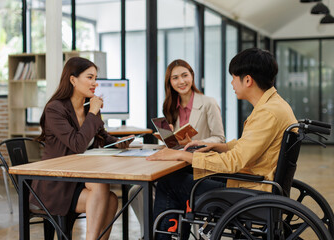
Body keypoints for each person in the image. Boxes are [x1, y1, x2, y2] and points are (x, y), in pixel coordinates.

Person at [147, 48, 298, 240]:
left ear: (248, 80)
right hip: (256, 180)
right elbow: (250, 146)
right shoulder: (275, 105)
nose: (232, 83)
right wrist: (220, 146)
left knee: (169, 183)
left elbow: (235, 161)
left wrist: (182, 154)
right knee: (182, 173)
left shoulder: (267, 113)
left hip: (252, 189)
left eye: (234, 78)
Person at [30, 57, 134, 239]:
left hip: (78, 179)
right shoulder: (55, 109)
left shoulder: (88, 107)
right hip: (56, 184)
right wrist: (93, 112)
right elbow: (77, 144)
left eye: (95, 78)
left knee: (110, 200)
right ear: (72, 80)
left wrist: (119, 142)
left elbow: (102, 136)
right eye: (90, 77)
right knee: (102, 189)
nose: (95, 83)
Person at [129, 59, 225, 239]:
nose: (181, 81)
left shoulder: (208, 103)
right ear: (169, 83)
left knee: (161, 186)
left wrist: (195, 142)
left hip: (199, 166)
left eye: (184, 75)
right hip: (178, 163)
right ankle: (149, 231)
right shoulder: (169, 106)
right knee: (137, 190)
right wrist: (168, 139)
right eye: (175, 78)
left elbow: (220, 139)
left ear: (192, 76)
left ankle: (166, 232)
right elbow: (172, 146)